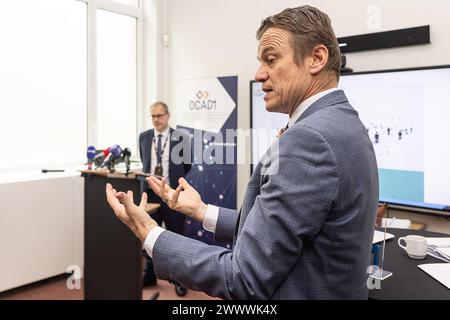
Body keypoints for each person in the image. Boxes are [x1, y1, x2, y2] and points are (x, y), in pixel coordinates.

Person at [106, 6, 379, 299]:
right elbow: (274, 233)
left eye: (271, 60)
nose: (259, 74)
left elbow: (244, 278)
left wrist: (149, 232)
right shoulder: (343, 121)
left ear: (317, 58)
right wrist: (201, 211)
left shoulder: (309, 139)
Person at [138, 101, 191, 296]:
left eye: (159, 115)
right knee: (149, 236)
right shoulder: (143, 137)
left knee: (177, 236)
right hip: (150, 194)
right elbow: (144, 163)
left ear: (168, 116)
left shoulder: (181, 138)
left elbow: (187, 165)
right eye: (152, 116)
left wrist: (170, 186)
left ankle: (179, 279)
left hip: (171, 193)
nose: (156, 120)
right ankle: (149, 275)